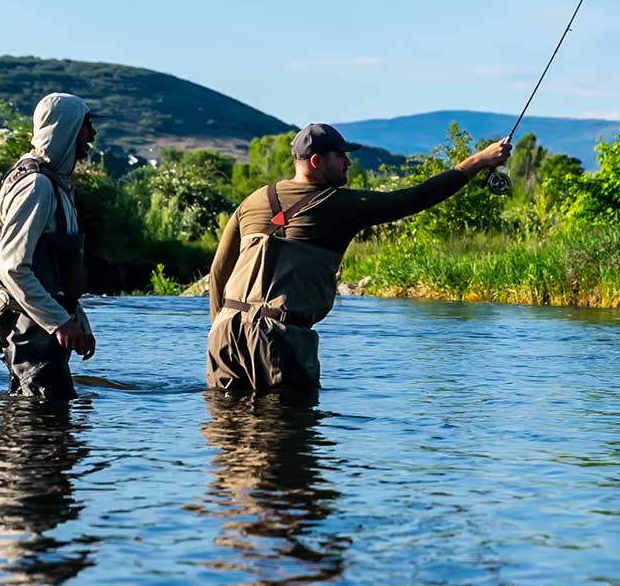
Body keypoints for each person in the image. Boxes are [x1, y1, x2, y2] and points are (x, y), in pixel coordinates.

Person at [207, 123, 511, 395]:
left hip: (224, 331)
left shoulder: (254, 199)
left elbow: (219, 270)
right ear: (316, 162)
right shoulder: (341, 205)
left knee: (227, 440)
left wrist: (219, 326)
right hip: (280, 338)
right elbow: (413, 199)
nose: (347, 162)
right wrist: (478, 161)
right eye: (340, 156)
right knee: (288, 442)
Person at [0, 92, 98, 399]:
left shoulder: (54, 184)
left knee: (46, 432)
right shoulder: (36, 186)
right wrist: (60, 323)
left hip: (42, 332)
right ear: (65, 127)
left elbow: (53, 270)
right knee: (45, 429)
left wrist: (77, 319)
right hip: (30, 336)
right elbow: (11, 267)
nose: (92, 133)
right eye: (86, 124)